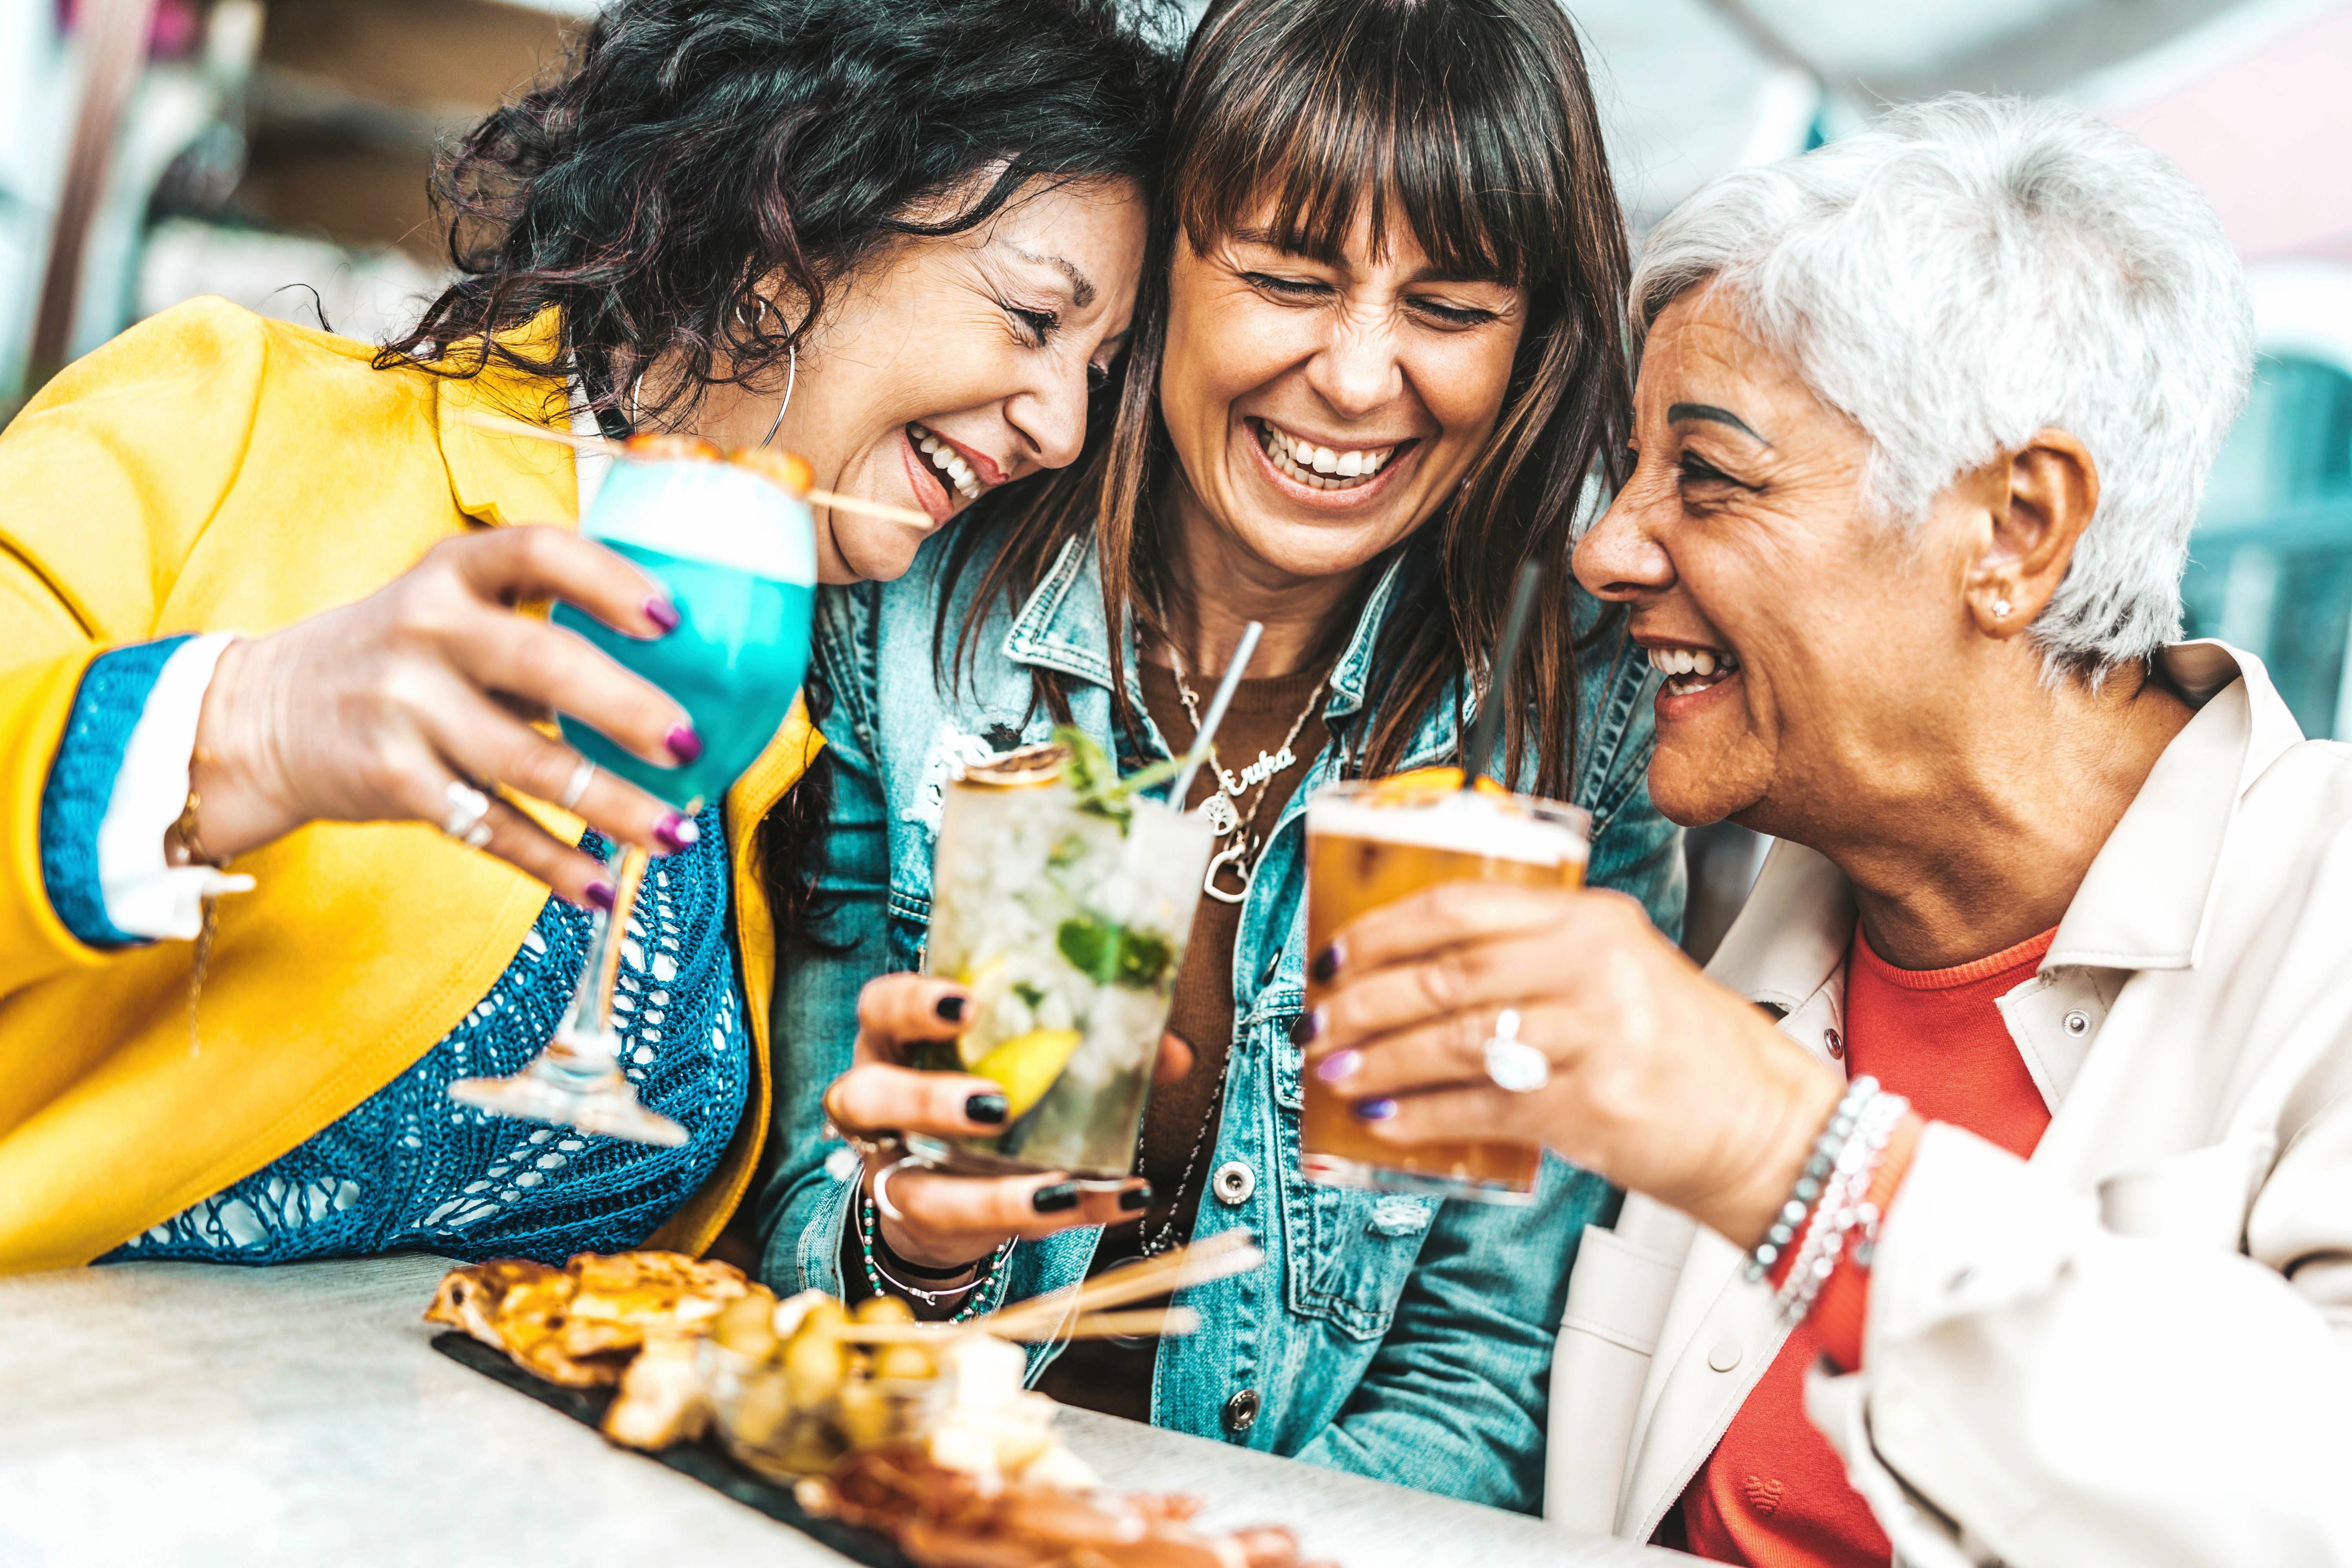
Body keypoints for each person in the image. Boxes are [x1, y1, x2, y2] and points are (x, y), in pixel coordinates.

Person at [1306, 94, 2352, 1565]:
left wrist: (1790, 1157)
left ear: (2016, 530)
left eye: (1712, 477)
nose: (1606, 549)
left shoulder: (2328, 922)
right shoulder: (1749, 926)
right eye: (1630, 470)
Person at [0, 0, 1171, 1274]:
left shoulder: (803, 692)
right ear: (796, 216)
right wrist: (237, 731)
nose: (1063, 426)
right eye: (1033, 320)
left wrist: (921, 1240)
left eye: (1101, 372)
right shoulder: (228, 419)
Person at [758, 0, 1681, 1512]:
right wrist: (917, 1245)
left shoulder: (1559, 731)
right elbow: (800, 1231)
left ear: (1533, 343)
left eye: (1451, 308)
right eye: (1286, 279)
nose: (1362, 377)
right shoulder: (926, 615)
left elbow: (1477, 1373)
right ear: (1165, 276)